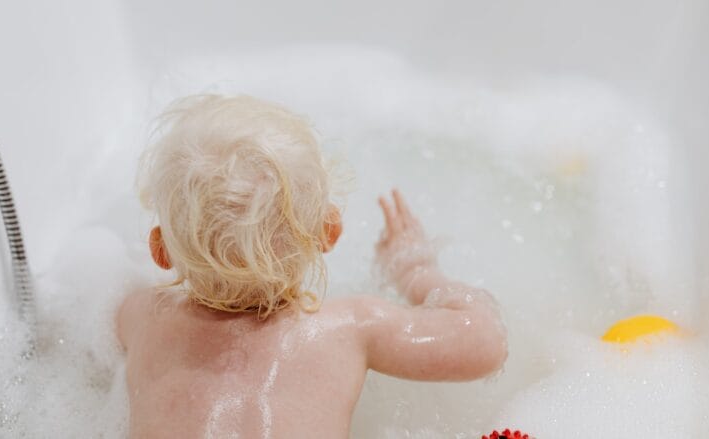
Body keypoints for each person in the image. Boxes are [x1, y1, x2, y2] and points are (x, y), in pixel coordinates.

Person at [117, 95, 507, 438]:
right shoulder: (348, 327)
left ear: (161, 250)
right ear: (329, 232)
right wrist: (415, 268)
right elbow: (486, 342)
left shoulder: (142, 318)